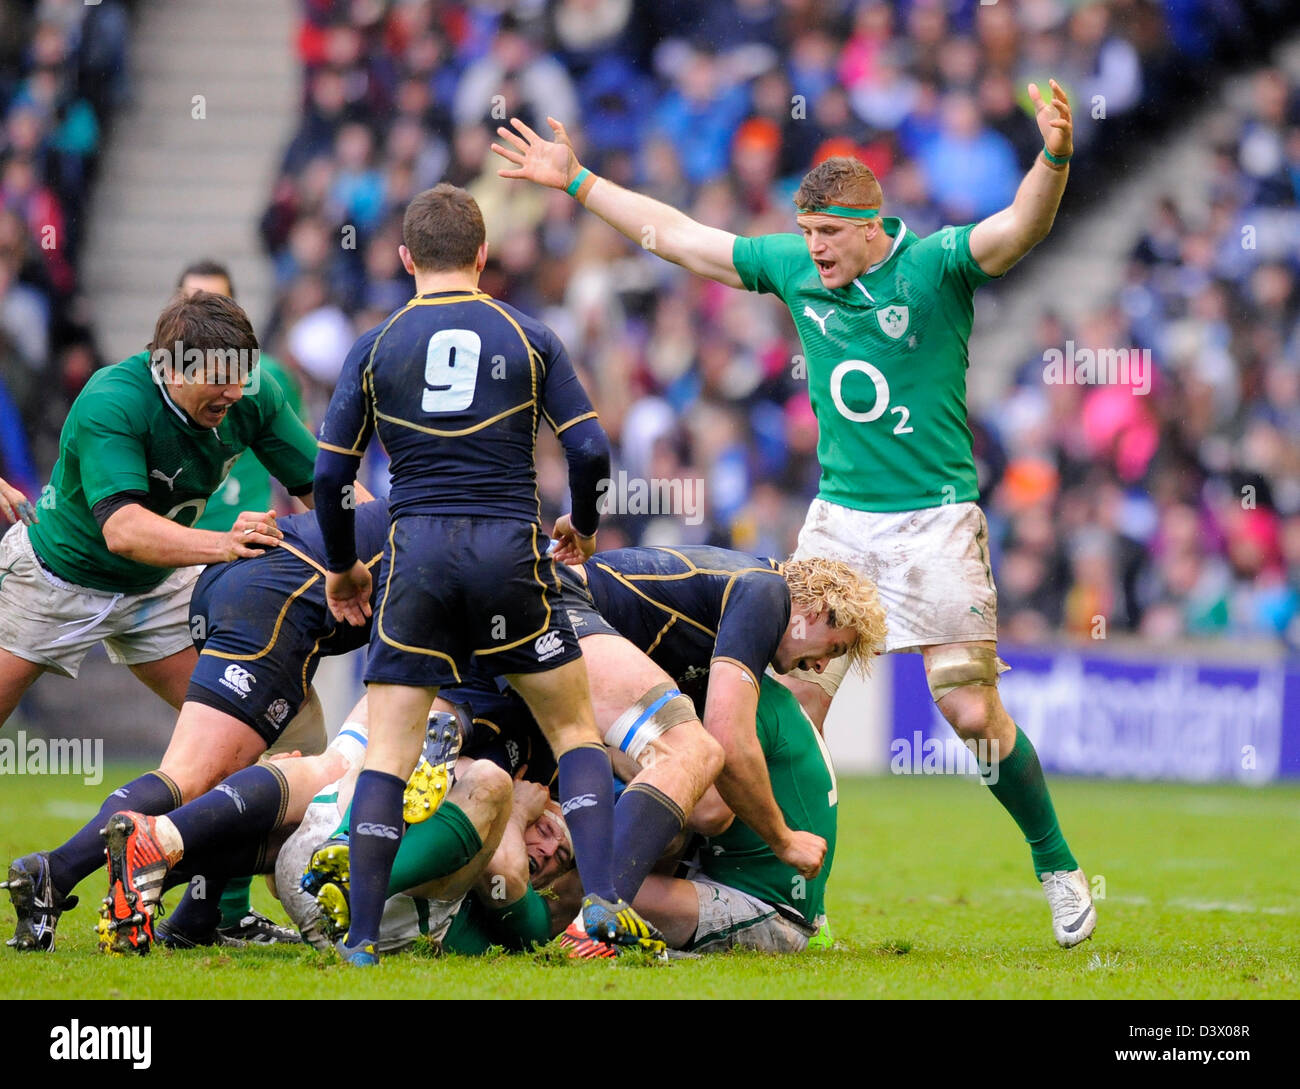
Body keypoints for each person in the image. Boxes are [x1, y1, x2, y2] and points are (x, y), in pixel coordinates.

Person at [492, 83, 1096, 948]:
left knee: (967, 711)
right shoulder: (794, 268)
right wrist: (579, 180)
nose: (812, 249)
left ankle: (1057, 863)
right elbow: (683, 238)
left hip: (933, 522)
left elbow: (1020, 228)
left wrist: (1056, 156)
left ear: (872, 226)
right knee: (792, 718)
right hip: (840, 524)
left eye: (827, 235)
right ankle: (773, 889)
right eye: (805, 233)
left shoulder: (935, 265)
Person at [312, 182, 658, 964]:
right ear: (483, 254)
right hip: (509, 553)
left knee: (390, 751)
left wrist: (341, 568)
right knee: (574, 730)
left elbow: (330, 475)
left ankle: (362, 936)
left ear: (406, 258)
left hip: (416, 557)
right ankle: (601, 901)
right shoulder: (529, 334)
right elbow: (591, 449)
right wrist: (584, 525)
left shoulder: (375, 345)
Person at [1, 289, 319, 951]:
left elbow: (327, 489)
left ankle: (210, 913)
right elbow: (122, 529)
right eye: (218, 378)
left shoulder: (250, 392)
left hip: (156, 587)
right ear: (168, 366)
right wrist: (223, 543)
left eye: (240, 375)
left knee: (258, 728)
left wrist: (382, 546)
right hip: (55, 580)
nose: (234, 393)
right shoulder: (112, 399)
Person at [7, 498, 383, 953]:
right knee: (201, 775)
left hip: (238, 587)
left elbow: (324, 478)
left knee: (280, 774)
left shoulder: (433, 516)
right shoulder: (449, 541)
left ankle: (198, 915)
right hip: (266, 599)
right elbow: (122, 529)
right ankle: (60, 871)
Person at [559, 545, 882, 908]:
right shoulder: (766, 592)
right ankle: (600, 917)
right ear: (817, 610)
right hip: (562, 604)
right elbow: (730, 745)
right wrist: (784, 840)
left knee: (671, 827)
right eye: (834, 649)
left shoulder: (731, 608)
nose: (821, 667)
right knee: (695, 763)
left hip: (554, 618)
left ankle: (584, 917)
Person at [178, 257, 314, 941]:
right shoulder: (140, 394)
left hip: (242, 567)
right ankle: (187, 894)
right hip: (173, 564)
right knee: (233, 748)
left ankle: (214, 906)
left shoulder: (264, 383)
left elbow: (308, 475)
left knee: (285, 737)